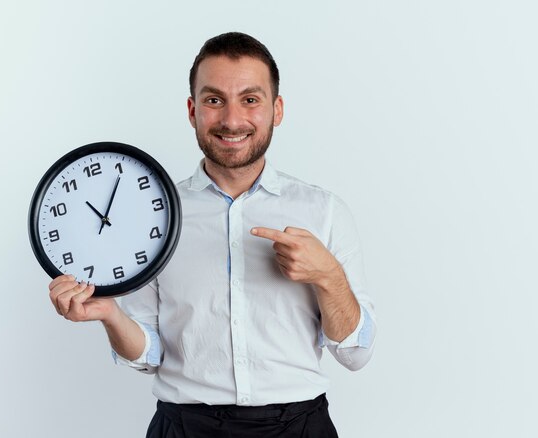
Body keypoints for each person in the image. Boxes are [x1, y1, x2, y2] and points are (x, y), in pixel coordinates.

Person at [49, 32, 377, 437]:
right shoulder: (154, 216)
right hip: (184, 427)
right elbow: (149, 353)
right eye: (214, 99)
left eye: (251, 100)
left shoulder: (324, 211)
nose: (232, 120)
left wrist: (328, 277)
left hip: (299, 427)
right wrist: (110, 316)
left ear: (277, 109)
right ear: (193, 110)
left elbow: (355, 354)